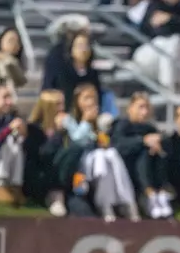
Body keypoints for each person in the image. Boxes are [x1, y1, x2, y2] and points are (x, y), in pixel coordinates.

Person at [64, 84, 139, 222]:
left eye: (93, 98)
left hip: (101, 163)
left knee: (111, 155)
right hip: (80, 162)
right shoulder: (69, 120)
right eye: (86, 98)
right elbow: (77, 141)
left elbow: (108, 142)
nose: (91, 102)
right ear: (77, 101)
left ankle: (124, 202)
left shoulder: (100, 120)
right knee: (100, 157)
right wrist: (85, 121)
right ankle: (105, 205)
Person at [110, 93, 174, 219]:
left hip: (151, 171)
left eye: (147, 107)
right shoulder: (122, 125)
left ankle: (160, 194)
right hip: (126, 173)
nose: (144, 112)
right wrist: (143, 141)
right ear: (130, 108)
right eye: (141, 107)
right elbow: (118, 145)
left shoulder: (150, 128)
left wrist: (158, 142)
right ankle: (149, 194)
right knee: (144, 152)